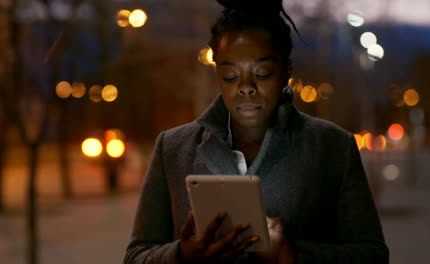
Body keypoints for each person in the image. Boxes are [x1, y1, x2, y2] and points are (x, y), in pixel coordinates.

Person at [124, 0, 389, 263]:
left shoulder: (333, 147)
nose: (245, 87)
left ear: (286, 71)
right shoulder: (172, 148)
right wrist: (182, 255)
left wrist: (292, 255)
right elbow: (136, 256)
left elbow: (373, 255)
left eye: (262, 73)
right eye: (230, 75)